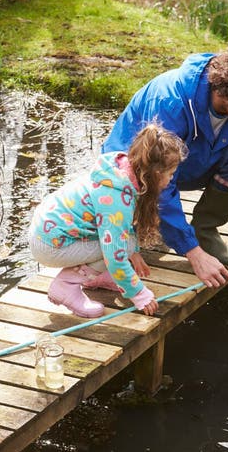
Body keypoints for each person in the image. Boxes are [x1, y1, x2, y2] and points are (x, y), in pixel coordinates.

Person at [102, 45, 228, 290]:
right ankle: (138, 220)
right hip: (133, 172)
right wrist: (193, 254)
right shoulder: (170, 102)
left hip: (192, 161)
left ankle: (204, 229)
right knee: (128, 224)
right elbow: (159, 184)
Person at [29, 124, 188, 319]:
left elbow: (119, 225)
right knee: (124, 245)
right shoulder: (115, 198)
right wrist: (139, 294)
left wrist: (135, 253)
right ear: (155, 175)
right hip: (49, 244)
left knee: (129, 244)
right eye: (170, 174)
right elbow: (115, 254)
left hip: (47, 230)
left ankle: (96, 277)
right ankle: (66, 285)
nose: (170, 180)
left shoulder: (120, 172)